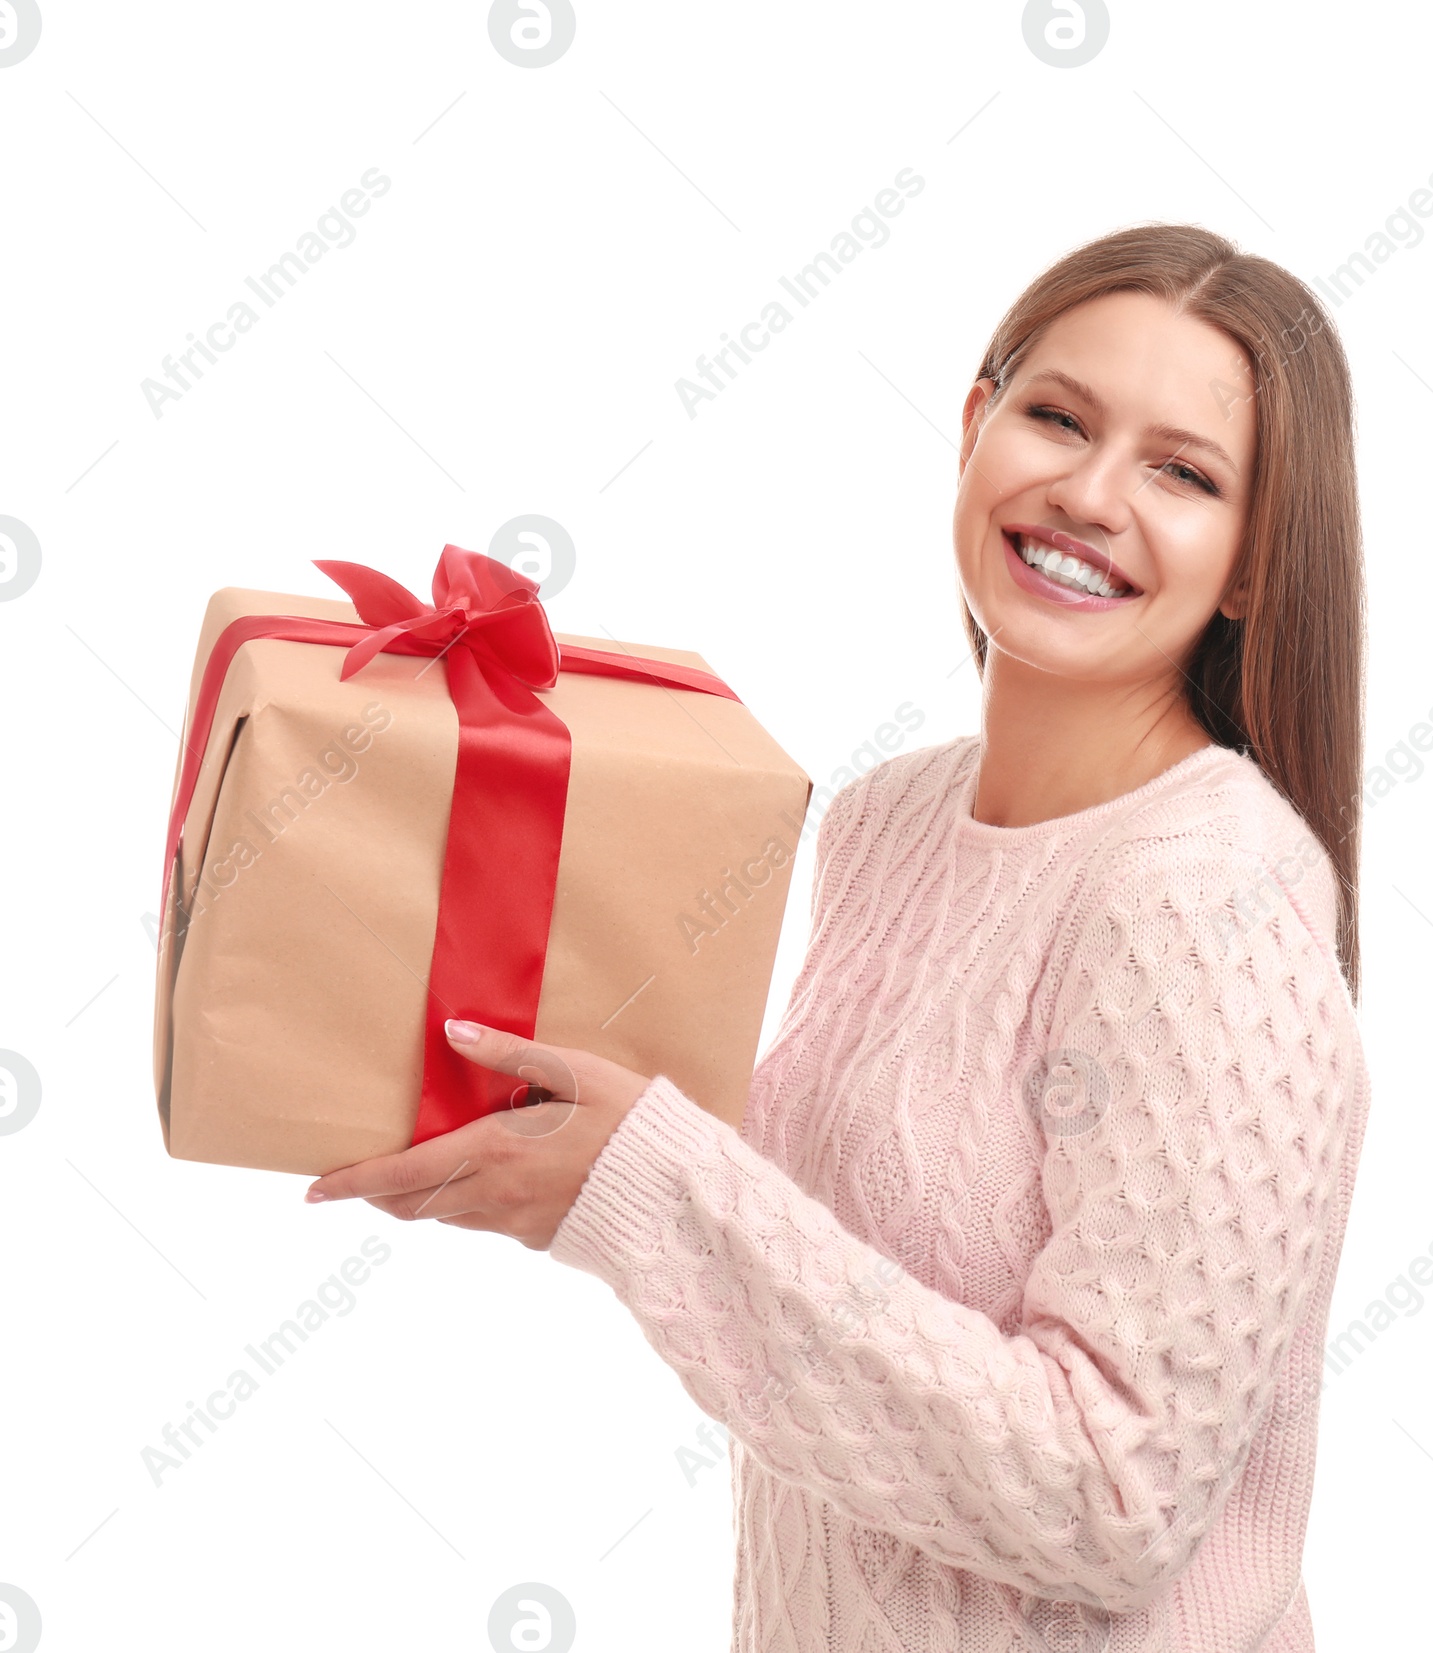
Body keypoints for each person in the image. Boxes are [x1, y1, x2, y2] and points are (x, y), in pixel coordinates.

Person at [306, 222, 1372, 1652]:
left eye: (1183, 472)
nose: (1092, 492)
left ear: (1251, 565)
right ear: (973, 428)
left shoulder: (1199, 897)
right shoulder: (887, 822)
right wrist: (550, 1140)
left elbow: (1111, 1496)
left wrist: (649, 1188)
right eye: (1056, 416)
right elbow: (836, 1303)